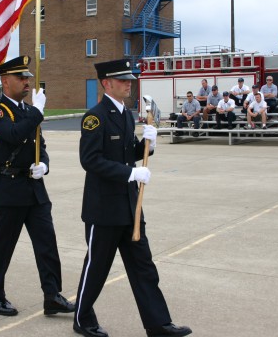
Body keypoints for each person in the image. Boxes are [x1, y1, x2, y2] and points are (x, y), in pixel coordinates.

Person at [74, 59, 192, 337]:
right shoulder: (95, 117)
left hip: (130, 206)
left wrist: (148, 144)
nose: (129, 83)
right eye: (123, 79)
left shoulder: (126, 115)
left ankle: (158, 323)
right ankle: (82, 318)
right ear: (107, 83)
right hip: (103, 208)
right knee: (97, 268)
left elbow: (127, 154)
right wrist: (130, 173)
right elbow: (90, 160)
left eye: (130, 79)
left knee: (143, 267)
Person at [0, 56, 74, 317]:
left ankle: (52, 295)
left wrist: (44, 165)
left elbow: (39, 147)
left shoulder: (27, 111)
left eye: (27, 78)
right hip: (9, 189)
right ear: (5, 80)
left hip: (35, 188)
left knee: (47, 243)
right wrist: (37, 112)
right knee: (4, 245)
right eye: (21, 78)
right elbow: (12, 135)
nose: (26, 82)